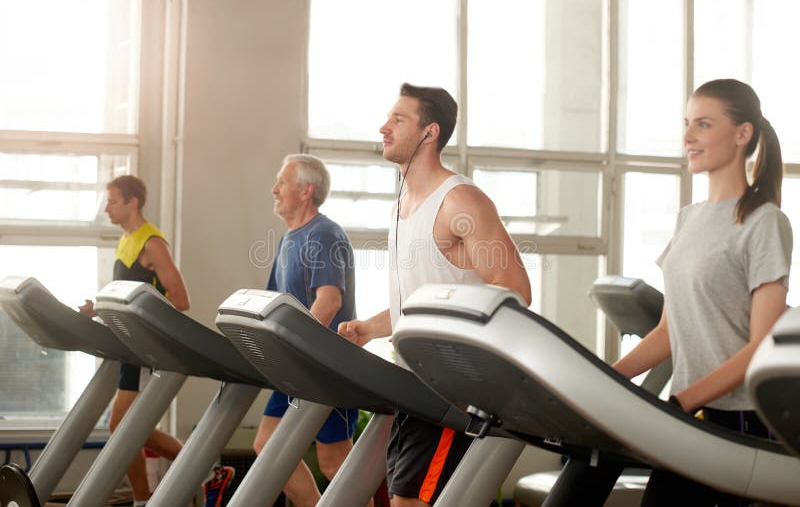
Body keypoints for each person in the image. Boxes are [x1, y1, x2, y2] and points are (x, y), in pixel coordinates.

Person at [548, 79, 792, 507]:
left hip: (737, 418)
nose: (687, 137)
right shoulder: (689, 218)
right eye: (686, 124)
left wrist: (681, 402)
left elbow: (760, 346)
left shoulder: (764, 222)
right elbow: (667, 331)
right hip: (689, 415)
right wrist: (605, 382)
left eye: (702, 124)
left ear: (742, 134)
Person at [338, 83, 532, 507]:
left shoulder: (459, 201)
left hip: (454, 388)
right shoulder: (402, 206)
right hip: (414, 382)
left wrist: (449, 346)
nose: (383, 128)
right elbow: (424, 299)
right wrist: (371, 328)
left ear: (430, 133)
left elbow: (515, 290)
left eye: (398, 120)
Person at [254, 154, 365, 507]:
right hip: (296, 366)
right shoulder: (289, 239)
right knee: (267, 446)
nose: (274, 189)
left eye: (282, 182)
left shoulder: (324, 234)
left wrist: (293, 347)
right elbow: (274, 304)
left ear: (306, 191)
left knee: (334, 462)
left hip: (326, 365)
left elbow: (328, 302)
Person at [79, 175, 197, 506]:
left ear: (133, 203)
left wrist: (140, 321)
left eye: (113, 201)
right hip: (130, 346)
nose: (107, 208)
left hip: (147, 349)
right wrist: (99, 308)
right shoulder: (125, 241)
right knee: (130, 430)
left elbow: (181, 299)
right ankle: (195, 473)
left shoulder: (152, 244)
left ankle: (147, 496)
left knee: (123, 427)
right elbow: (127, 298)